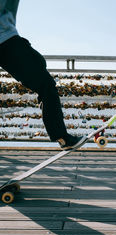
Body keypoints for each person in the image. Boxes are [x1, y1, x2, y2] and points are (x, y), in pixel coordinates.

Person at [0, 0, 86, 149]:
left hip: (7, 39)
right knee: (45, 84)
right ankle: (61, 136)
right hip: (5, 40)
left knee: (40, 69)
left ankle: (61, 136)